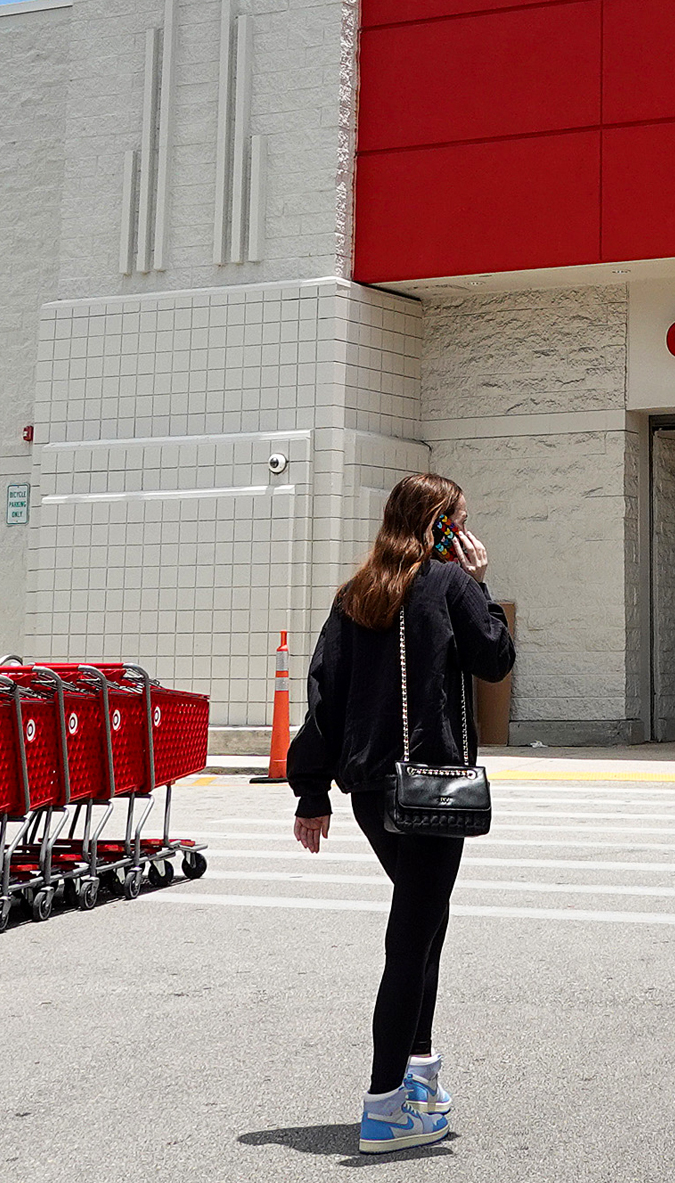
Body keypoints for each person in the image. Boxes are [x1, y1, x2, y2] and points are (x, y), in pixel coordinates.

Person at [287, 473, 515, 1155]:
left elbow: (325, 691)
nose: (469, 532)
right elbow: (496, 659)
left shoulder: (356, 592)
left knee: (426, 922)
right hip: (429, 790)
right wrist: (479, 581)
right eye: (462, 520)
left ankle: (418, 1074)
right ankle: (386, 1103)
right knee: (412, 937)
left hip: (369, 792)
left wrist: (311, 790)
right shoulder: (451, 584)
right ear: (440, 525)